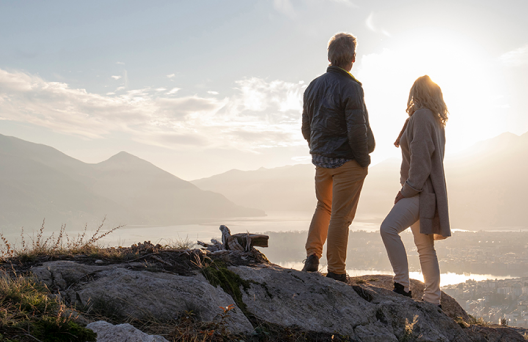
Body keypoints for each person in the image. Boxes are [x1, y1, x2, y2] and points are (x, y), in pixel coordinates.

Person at [301, 32, 375, 282]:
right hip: (347, 162)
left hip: (321, 162)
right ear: (352, 58)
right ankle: (336, 271)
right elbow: (357, 130)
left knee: (324, 206)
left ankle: (312, 255)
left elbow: (306, 128)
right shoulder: (351, 87)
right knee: (341, 217)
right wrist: (363, 160)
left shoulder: (313, 86)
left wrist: (318, 148)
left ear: (330, 57)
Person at [380, 75, 451, 306]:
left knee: (388, 229)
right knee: (425, 248)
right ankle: (433, 300)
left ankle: (401, 285)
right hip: (430, 194)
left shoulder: (420, 117)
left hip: (419, 192)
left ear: (416, 93)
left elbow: (420, 160)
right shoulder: (436, 121)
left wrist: (407, 190)